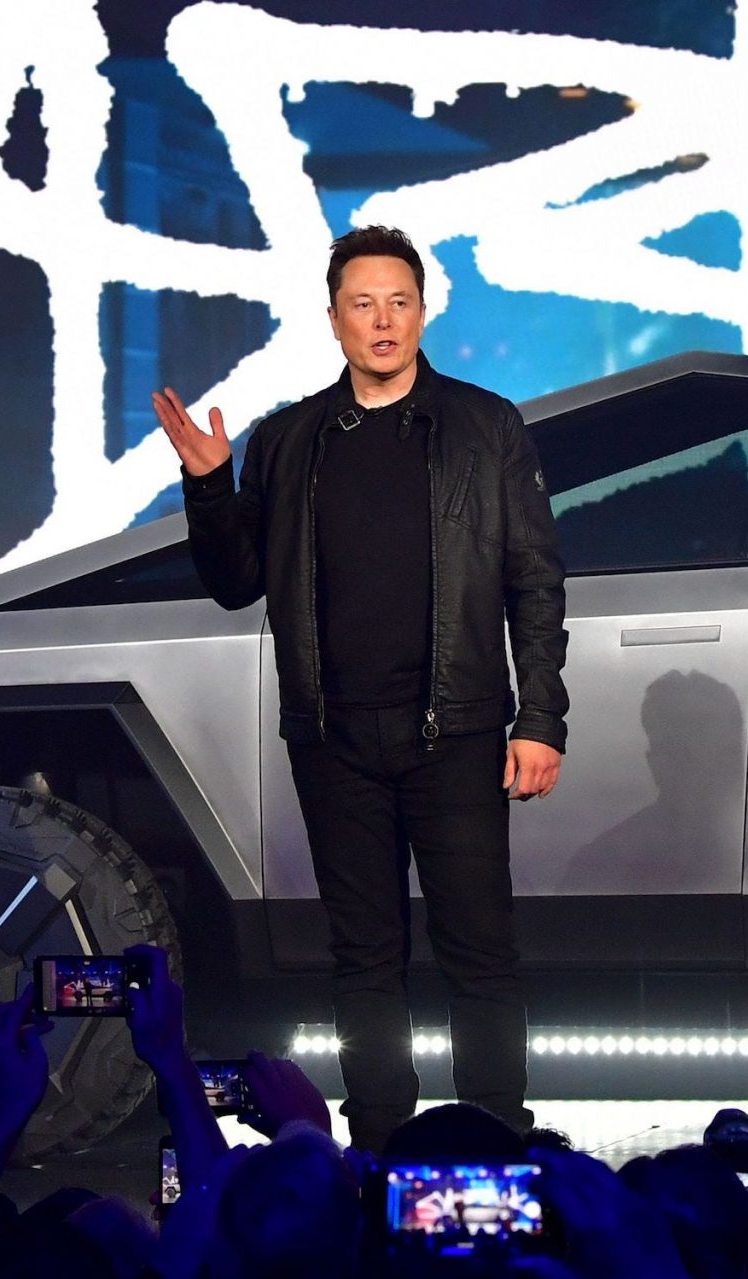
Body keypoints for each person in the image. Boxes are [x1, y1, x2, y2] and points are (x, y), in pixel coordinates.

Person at [157, 223, 571, 1150]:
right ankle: (379, 1145)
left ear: (422, 312)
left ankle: (497, 1139)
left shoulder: (485, 425)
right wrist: (209, 488)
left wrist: (539, 716)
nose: (383, 321)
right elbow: (235, 581)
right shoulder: (288, 439)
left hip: (458, 730)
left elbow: (534, 580)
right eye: (362, 304)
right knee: (364, 958)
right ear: (334, 318)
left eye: (399, 302)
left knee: (479, 952)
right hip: (334, 737)